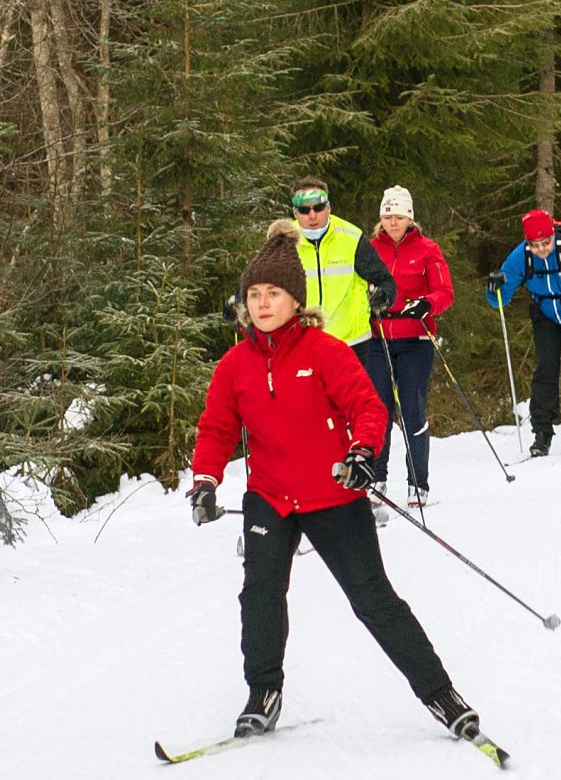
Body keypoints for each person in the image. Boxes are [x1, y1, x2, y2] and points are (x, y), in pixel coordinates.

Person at [187, 219, 487, 745]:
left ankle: (441, 694)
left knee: (373, 599)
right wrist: (206, 481)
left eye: (273, 293)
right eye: (254, 294)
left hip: (333, 493)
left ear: (295, 300)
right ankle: (263, 694)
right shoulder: (235, 365)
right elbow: (216, 428)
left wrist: (362, 451)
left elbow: (367, 408)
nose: (262, 303)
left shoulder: (325, 351)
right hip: (271, 498)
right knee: (260, 597)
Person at [486, 209, 561, 458]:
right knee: (545, 371)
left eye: (546, 242)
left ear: (553, 236)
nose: (541, 249)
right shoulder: (521, 256)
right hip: (545, 314)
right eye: (534, 244)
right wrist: (493, 288)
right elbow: (500, 300)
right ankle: (542, 434)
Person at [368, 185, 454, 507]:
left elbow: (445, 292)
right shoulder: (369, 249)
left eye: (399, 216)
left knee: (412, 411)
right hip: (376, 339)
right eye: (387, 215)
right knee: (377, 410)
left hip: (415, 340)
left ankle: (418, 483)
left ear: (410, 218)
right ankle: (376, 478)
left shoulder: (427, 249)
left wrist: (426, 304)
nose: (393, 222)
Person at [286, 177, 399, 377]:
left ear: (328, 207)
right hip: (302, 343)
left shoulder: (351, 237)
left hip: (351, 344)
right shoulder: (284, 242)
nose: (312, 215)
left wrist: (383, 297)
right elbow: (259, 281)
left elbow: (385, 280)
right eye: (304, 210)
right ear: (295, 213)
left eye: (318, 207)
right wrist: (239, 303)